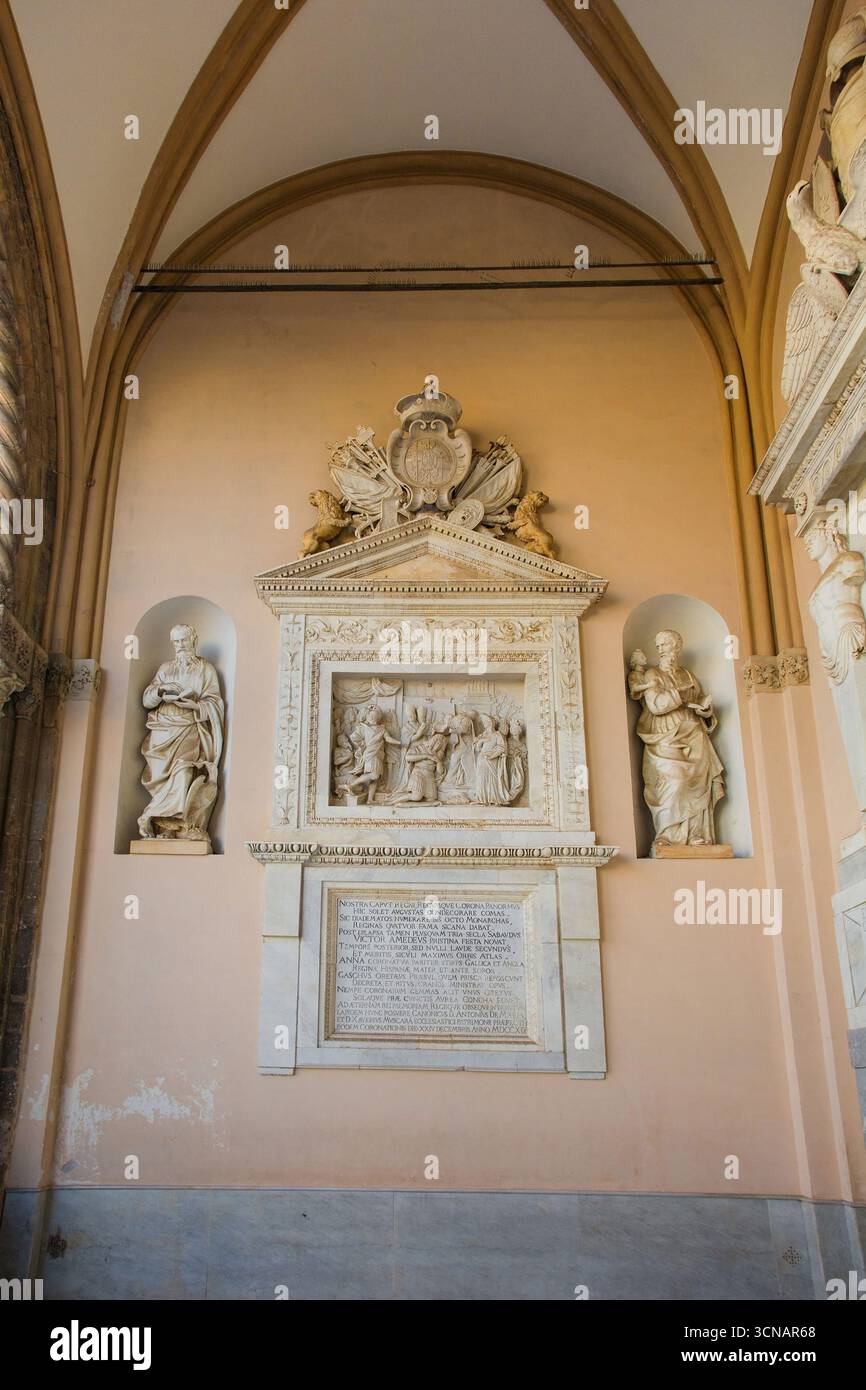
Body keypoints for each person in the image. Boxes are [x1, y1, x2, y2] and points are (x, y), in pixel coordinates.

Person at [631, 630, 725, 852]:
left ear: (676, 647)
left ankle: (696, 834)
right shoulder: (652, 674)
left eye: (665, 644)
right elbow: (656, 705)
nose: (661, 649)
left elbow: (699, 699)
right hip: (665, 737)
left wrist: (705, 710)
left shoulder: (688, 675)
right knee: (674, 781)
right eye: (659, 645)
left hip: (694, 734)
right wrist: (679, 695)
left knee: (698, 784)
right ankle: (667, 835)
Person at [138, 624, 224, 841]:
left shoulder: (206, 669)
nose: (179, 646)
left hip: (189, 728)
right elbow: (147, 699)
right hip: (162, 729)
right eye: (175, 642)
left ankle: (183, 826)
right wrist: (160, 691)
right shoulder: (165, 669)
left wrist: (194, 705)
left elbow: (215, 702)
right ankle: (164, 827)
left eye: (183, 641)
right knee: (161, 779)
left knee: (184, 772)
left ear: (193, 640)